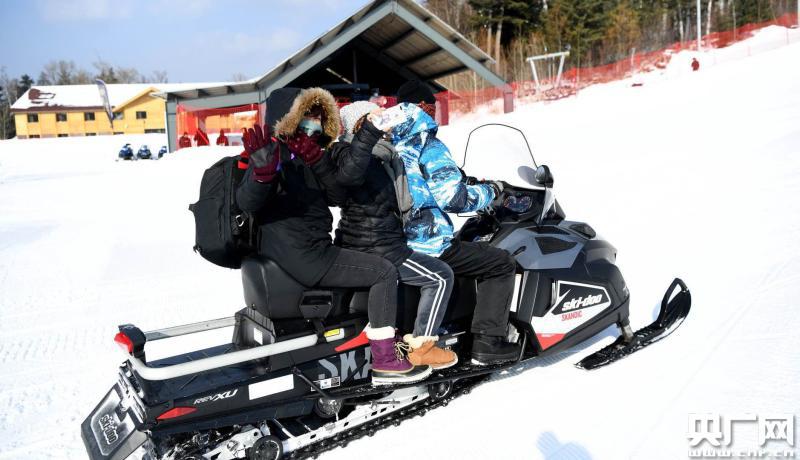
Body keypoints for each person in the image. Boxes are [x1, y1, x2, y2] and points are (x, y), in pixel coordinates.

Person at [236, 87, 431, 385]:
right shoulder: (273, 153)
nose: (312, 123)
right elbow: (248, 200)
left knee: (368, 264)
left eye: (318, 117)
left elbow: (337, 194)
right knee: (384, 272)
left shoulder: (305, 153)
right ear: (288, 118)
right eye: (306, 116)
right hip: (306, 256)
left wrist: (317, 161)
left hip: (302, 251)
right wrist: (262, 174)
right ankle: (385, 359)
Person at [390, 80, 520, 366]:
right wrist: (492, 191)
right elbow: (453, 198)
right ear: (422, 106)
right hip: (429, 242)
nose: (435, 112)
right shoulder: (428, 142)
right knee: (501, 263)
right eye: (432, 106)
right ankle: (488, 342)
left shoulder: (391, 141)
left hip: (397, 242)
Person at [330, 100, 457, 369]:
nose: (386, 122)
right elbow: (355, 179)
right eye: (377, 117)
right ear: (361, 124)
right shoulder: (363, 156)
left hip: (364, 240)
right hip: (380, 245)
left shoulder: (380, 154)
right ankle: (424, 347)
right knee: (441, 276)